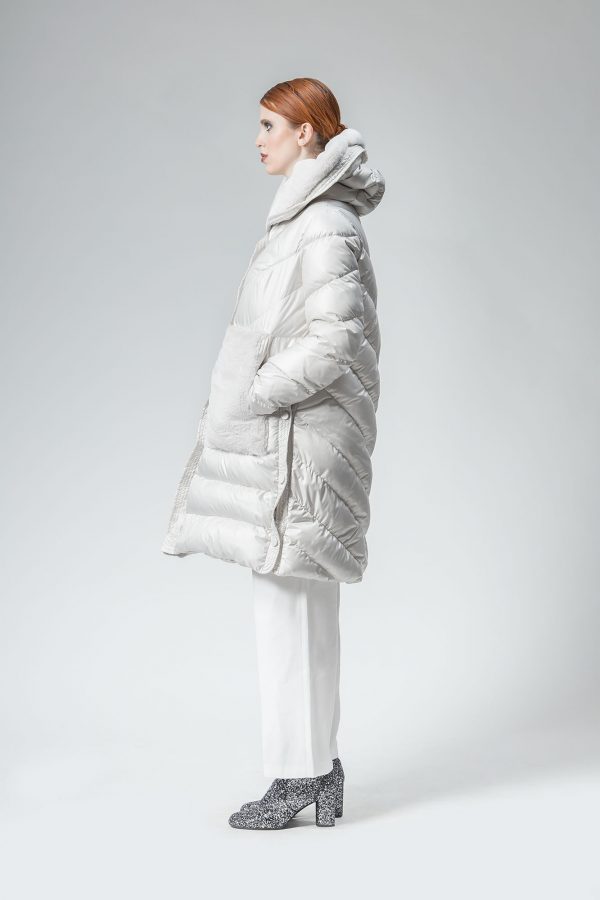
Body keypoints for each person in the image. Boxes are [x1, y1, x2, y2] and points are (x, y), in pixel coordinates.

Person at [161, 77, 385, 828]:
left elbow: (334, 341)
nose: (258, 139)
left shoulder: (321, 223)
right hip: (300, 441)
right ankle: (318, 773)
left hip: (298, 443)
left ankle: (297, 777)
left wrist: (250, 391)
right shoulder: (311, 215)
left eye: (269, 125)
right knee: (303, 609)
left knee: (287, 613)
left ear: (307, 132)